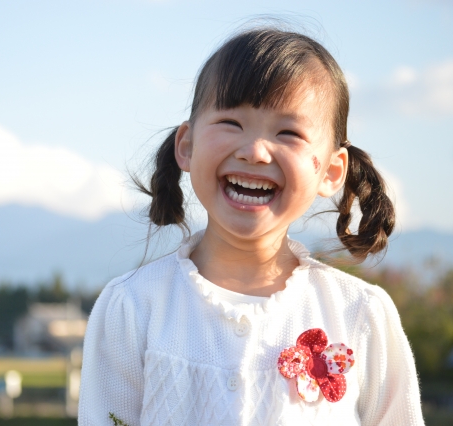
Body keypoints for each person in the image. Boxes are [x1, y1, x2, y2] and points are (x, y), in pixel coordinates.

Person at [78, 27, 424, 425]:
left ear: (331, 171)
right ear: (186, 146)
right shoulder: (133, 308)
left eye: (288, 132)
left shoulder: (359, 313)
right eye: (231, 122)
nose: (255, 151)